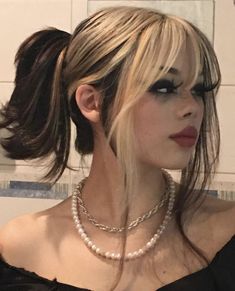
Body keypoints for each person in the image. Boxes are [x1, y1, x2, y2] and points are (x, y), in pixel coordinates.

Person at [0, 5, 234, 291]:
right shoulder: (20, 246)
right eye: (164, 87)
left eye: (198, 90)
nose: (193, 108)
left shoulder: (228, 230)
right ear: (91, 102)